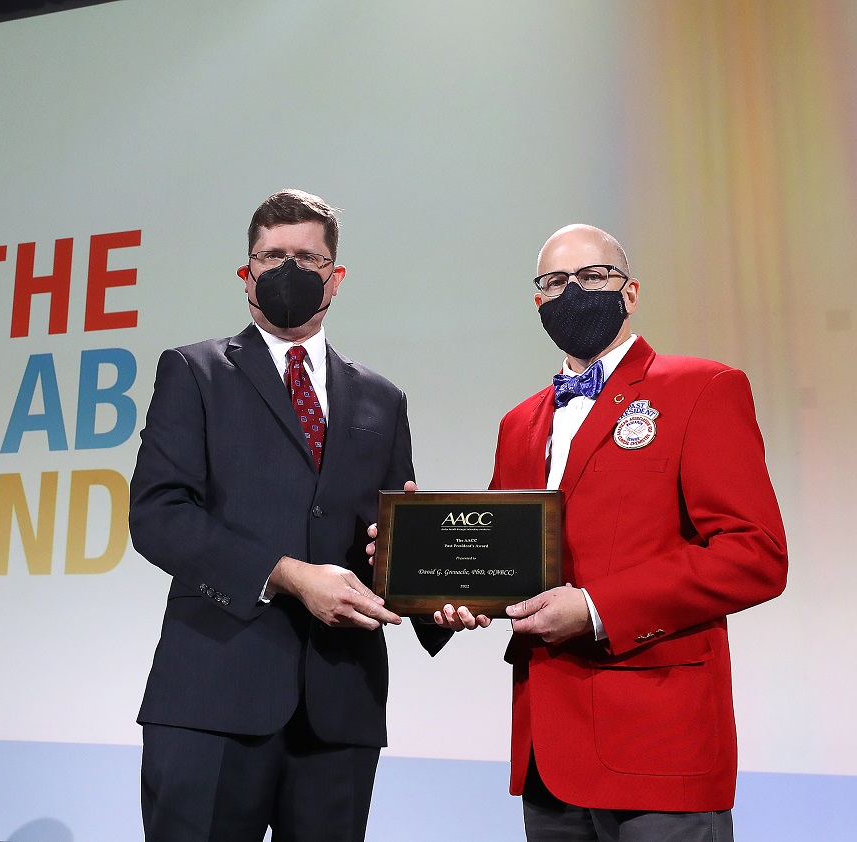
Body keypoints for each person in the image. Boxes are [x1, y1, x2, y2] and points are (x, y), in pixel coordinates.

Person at [129, 189, 468, 841]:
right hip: (212, 698)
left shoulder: (382, 398)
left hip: (341, 708)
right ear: (246, 273)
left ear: (335, 278)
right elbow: (159, 515)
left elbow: (393, 537)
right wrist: (285, 574)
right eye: (272, 256)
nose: (289, 270)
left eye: (308, 259)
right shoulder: (194, 371)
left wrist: (442, 599)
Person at [443, 223, 788, 840]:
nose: (574, 291)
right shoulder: (519, 423)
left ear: (630, 292)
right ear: (538, 302)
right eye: (556, 282)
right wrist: (433, 575)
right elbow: (502, 559)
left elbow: (754, 554)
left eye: (593, 276)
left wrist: (597, 608)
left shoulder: (702, 388)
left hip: (662, 745)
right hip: (549, 757)